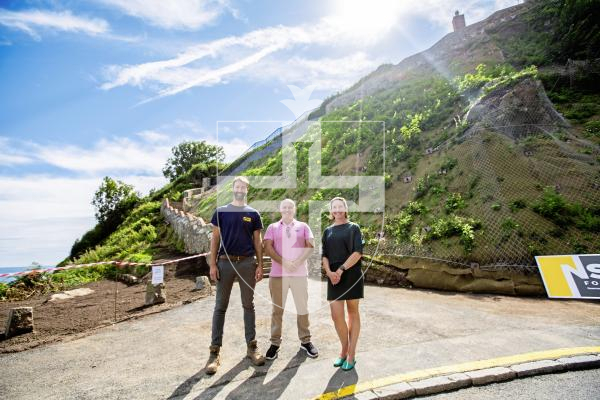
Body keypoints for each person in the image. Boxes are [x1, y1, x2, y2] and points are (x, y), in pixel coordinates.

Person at [205, 176, 265, 375]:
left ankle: (252, 348)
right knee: (220, 307)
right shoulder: (221, 212)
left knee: (249, 305)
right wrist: (213, 264)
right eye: (237, 186)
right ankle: (214, 353)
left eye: (243, 187)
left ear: (247, 190)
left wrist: (260, 265)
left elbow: (258, 241)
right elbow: (215, 239)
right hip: (225, 262)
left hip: (248, 263)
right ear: (233, 189)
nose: (240, 189)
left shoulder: (253, 214)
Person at [263, 199, 318, 360]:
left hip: (299, 274)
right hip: (278, 275)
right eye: (284, 207)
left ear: (294, 210)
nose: (287, 209)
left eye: (290, 207)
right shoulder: (272, 227)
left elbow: (311, 246)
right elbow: (267, 247)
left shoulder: (303, 227)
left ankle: (305, 341)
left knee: (302, 308)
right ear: (280, 210)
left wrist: (297, 262)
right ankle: (275, 343)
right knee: (277, 310)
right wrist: (284, 262)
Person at [321, 197, 364, 371]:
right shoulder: (327, 231)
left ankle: (351, 355)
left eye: (340, 206)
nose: (337, 210)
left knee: (352, 313)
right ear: (331, 211)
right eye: (334, 207)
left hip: (351, 275)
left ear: (345, 209)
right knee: (336, 315)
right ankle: (344, 350)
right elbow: (324, 255)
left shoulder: (354, 228)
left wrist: (340, 270)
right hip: (333, 278)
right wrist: (330, 273)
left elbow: (357, 253)